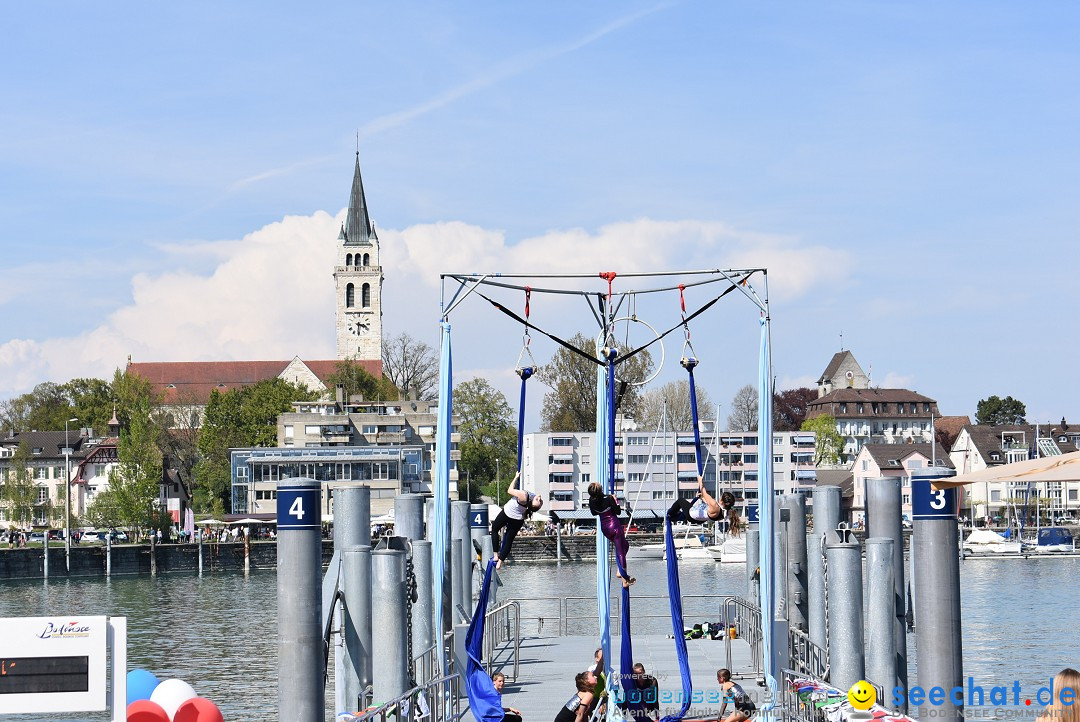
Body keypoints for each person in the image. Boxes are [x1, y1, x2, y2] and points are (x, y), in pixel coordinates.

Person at [490, 471, 543, 569]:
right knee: (509, 540)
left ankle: (496, 555)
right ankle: (500, 562)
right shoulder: (530, 501)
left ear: (532, 502)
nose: (539, 499)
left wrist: (515, 477)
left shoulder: (524, 495)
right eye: (539, 501)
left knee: (494, 529)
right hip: (518, 519)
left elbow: (509, 490)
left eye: (538, 501)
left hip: (508, 513)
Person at [587, 483, 635, 587]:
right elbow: (618, 512)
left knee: (625, 546)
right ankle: (624, 578)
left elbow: (594, 513)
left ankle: (620, 570)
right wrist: (615, 500)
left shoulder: (591, 500)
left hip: (605, 529)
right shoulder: (608, 498)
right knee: (621, 551)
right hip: (614, 527)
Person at [667, 476, 741, 536]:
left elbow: (703, 491)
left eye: (720, 497)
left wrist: (700, 481)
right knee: (682, 512)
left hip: (691, 514)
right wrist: (701, 498)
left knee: (680, 500)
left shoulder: (714, 505)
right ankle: (674, 517)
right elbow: (708, 509)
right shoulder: (723, 513)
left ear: (722, 500)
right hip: (698, 519)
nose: (719, 498)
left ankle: (670, 514)